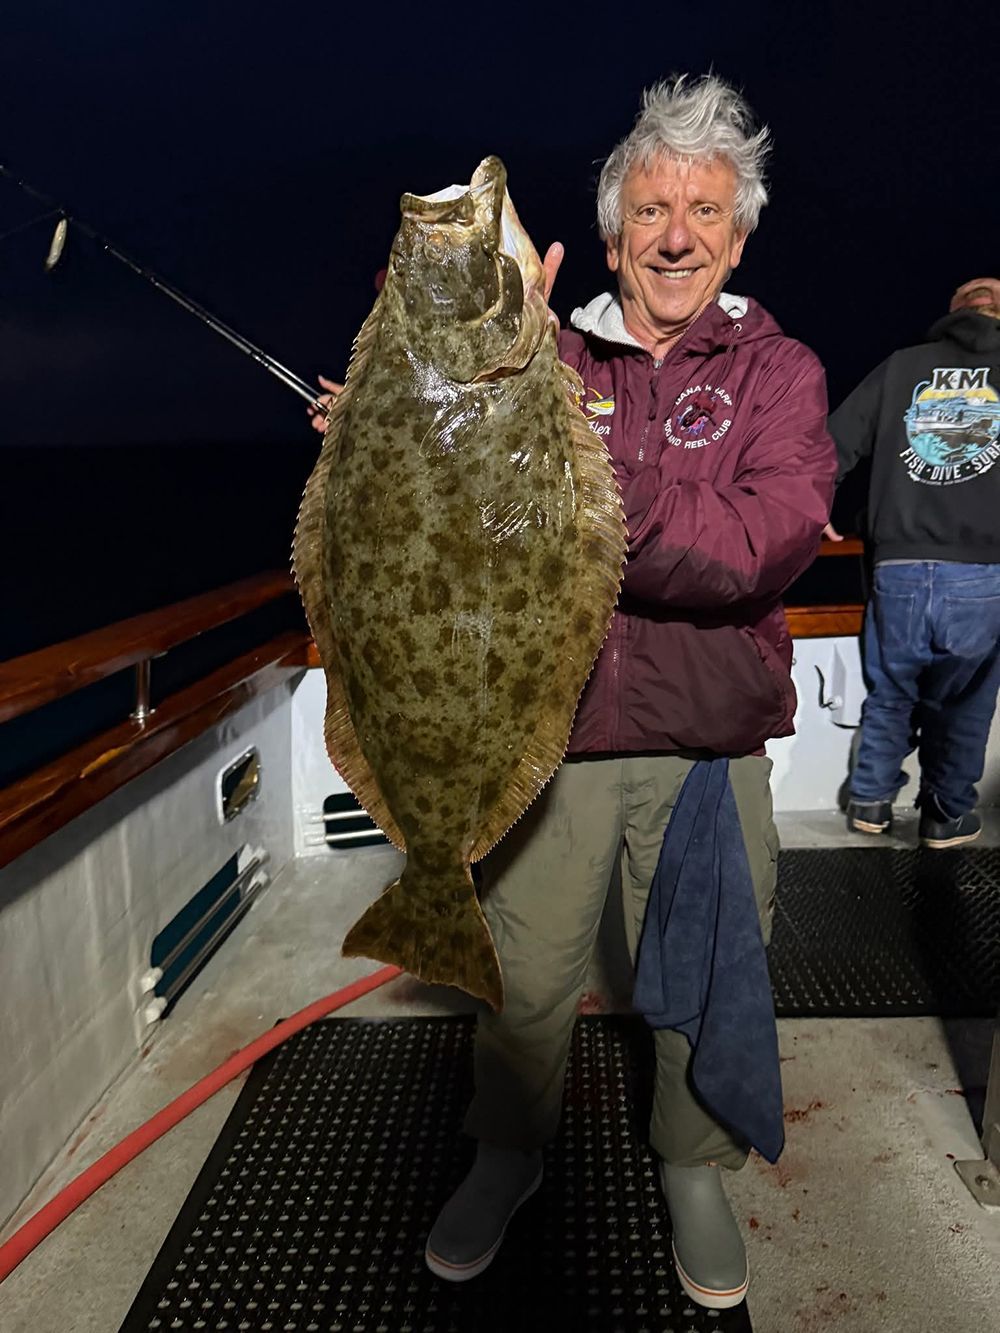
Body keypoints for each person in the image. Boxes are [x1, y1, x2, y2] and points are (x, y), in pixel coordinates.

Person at [312, 75, 836, 1309]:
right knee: (529, 979)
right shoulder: (536, 353)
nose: (674, 236)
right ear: (605, 240)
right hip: (544, 735)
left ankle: (693, 1164)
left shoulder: (781, 373)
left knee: (704, 972)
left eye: (703, 213)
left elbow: (758, 540)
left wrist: (558, 469)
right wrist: (401, 412)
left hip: (706, 747)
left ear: (738, 234)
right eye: (651, 210)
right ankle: (507, 1148)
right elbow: (436, 490)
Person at [825, 277, 1000, 848]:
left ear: (953, 313)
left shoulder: (903, 366)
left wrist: (814, 507)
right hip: (983, 571)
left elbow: (833, 442)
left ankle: (872, 800)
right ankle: (946, 813)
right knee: (966, 700)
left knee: (893, 688)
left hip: (897, 569)